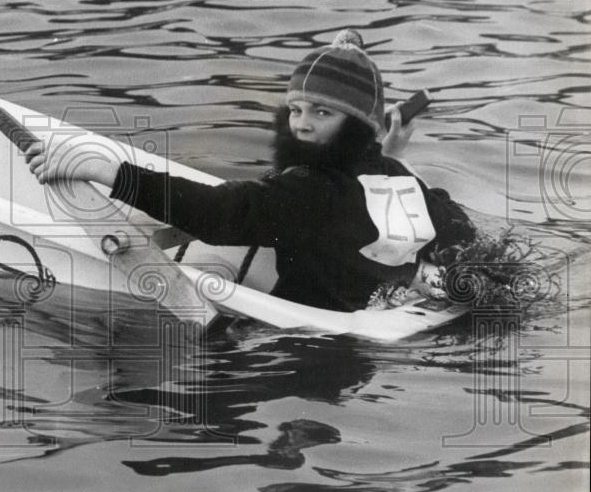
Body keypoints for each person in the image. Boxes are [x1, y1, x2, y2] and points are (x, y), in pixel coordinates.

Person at [24, 29, 476, 313]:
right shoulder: (400, 177)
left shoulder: (311, 190)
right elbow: (458, 230)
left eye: (322, 113)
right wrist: (390, 154)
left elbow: (223, 212)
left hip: (299, 339)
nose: (301, 123)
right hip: (376, 311)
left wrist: (111, 172)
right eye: (296, 109)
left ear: (357, 124)